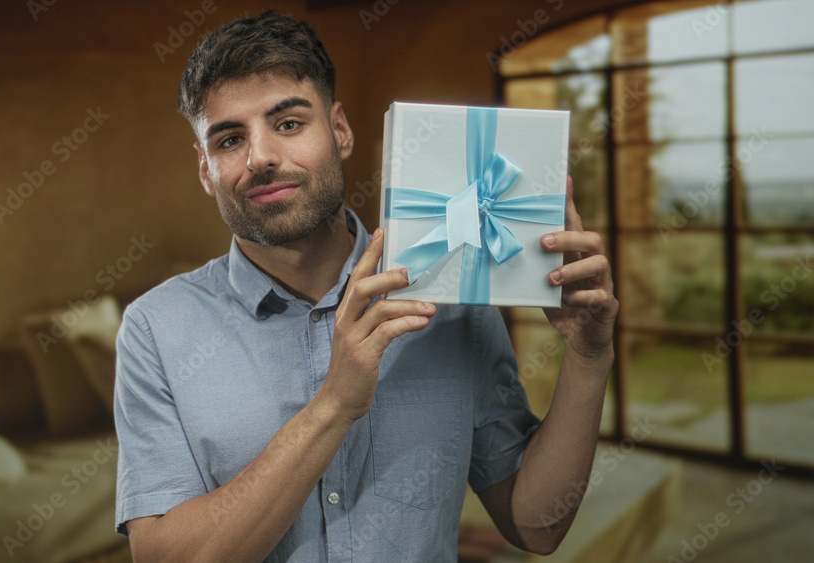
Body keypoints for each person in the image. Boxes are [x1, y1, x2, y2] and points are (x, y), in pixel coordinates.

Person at [114, 10, 618, 562]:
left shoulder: (451, 300)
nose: (260, 158)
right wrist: (334, 405)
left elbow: (537, 527)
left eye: (288, 123)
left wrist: (588, 358)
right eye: (230, 139)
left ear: (341, 131)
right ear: (207, 169)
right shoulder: (153, 330)